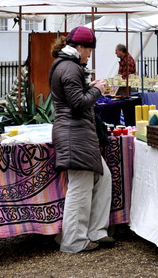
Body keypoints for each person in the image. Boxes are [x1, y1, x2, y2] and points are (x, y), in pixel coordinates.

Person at [49, 26, 115, 253]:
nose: (89, 55)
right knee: (80, 187)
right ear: (79, 47)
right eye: (89, 50)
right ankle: (74, 241)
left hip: (76, 133)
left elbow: (74, 98)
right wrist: (96, 89)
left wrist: (91, 88)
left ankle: (96, 231)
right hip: (74, 134)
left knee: (103, 178)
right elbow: (78, 104)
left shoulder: (68, 66)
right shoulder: (69, 67)